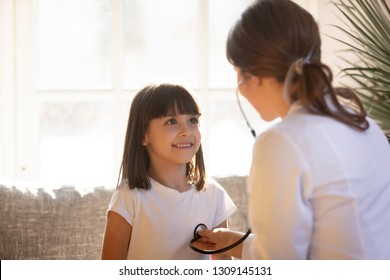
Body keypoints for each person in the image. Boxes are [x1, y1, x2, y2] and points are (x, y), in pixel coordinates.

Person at [193, 0, 390, 259]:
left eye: (236, 73)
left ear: (253, 76)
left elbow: (279, 263)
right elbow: (329, 240)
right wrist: (238, 242)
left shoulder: (281, 143)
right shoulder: (362, 123)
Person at [101, 83, 237, 260]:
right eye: (171, 121)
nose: (186, 130)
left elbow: (224, 266)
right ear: (144, 134)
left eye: (193, 120)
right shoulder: (130, 198)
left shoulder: (214, 194)